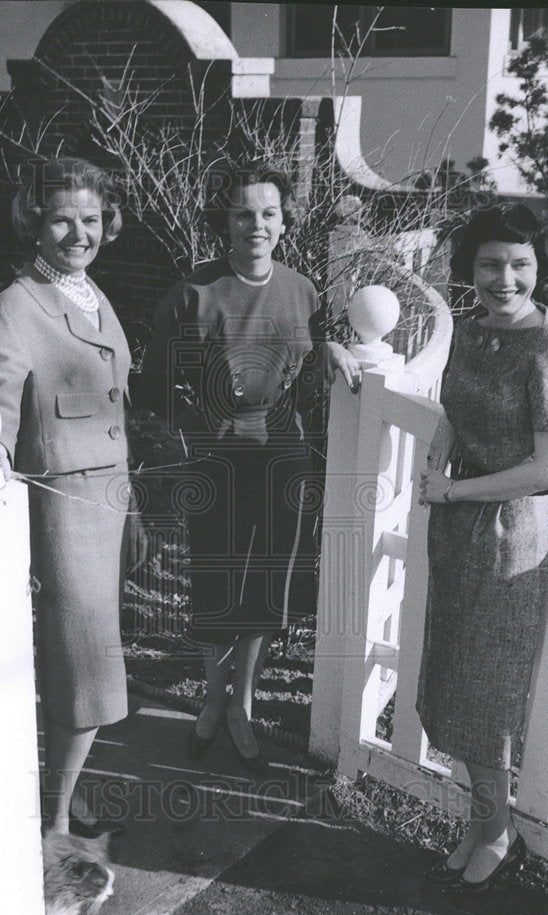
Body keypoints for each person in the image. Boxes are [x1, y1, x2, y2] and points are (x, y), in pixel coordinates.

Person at [139, 159, 360, 772]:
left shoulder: (304, 290)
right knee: (216, 584)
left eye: (268, 213)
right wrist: (193, 434)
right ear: (227, 221)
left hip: (282, 458)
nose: (255, 225)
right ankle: (212, 703)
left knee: (265, 587)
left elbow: (312, 366)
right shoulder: (194, 293)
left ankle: (243, 704)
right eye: (243, 213)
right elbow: (157, 386)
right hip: (216, 459)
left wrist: (335, 345)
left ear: (284, 223)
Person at [417, 204, 548, 893]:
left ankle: (493, 829)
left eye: (519, 264)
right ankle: (482, 820)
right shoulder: (470, 330)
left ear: (538, 268)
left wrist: (454, 493)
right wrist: (439, 454)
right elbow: (455, 410)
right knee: (452, 675)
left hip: (509, 536)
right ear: (471, 270)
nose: (504, 278)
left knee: (484, 690)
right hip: (458, 527)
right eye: (490, 264)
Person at [0, 157, 146, 836]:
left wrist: (131, 503)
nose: (80, 232)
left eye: (92, 218)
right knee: (82, 661)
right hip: (61, 504)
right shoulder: (18, 303)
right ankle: (53, 820)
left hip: (107, 495)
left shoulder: (89, 292)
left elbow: (114, 403)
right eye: (63, 218)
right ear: (34, 222)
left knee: (90, 656)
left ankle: (59, 796)